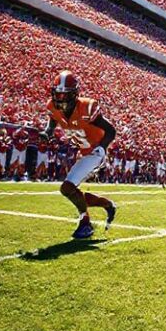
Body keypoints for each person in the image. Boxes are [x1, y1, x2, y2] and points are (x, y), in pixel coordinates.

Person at [42, 71, 117, 239]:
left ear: (74, 94)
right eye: (57, 94)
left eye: (65, 95)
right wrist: (47, 132)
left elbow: (111, 130)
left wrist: (102, 148)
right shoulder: (52, 107)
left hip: (95, 152)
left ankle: (85, 223)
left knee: (67, 187)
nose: (60, 98)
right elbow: (52, 121)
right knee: (74, 192)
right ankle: (108, 205)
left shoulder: (86, 107)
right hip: (82, 152)